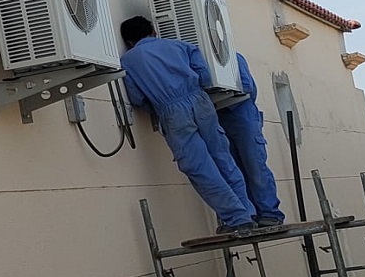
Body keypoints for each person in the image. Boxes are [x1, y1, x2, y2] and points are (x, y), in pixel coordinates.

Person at [119, 16, 256, 236]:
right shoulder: (180, 45)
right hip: (200, 100)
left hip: (171, 111)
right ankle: (248, 213)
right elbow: (204, 75)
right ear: (153, 31)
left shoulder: (128, 60)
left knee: (199, 166)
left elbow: (137, 98)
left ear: (129, 42)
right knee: (223, 158)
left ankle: (236, 218)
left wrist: (159, 106)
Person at [217, 52, 285, 226]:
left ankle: (270, 213)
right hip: (221, 116)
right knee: (233, 170)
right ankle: (248, 215)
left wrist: (223, 90)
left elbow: (248, 87)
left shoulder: (233, 57)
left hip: (242, 114)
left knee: (255, 166)